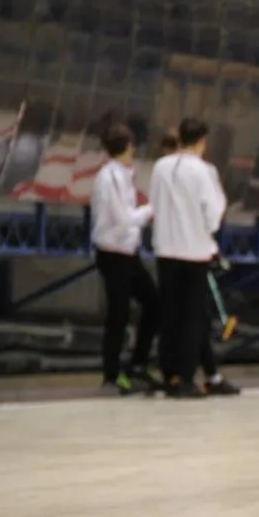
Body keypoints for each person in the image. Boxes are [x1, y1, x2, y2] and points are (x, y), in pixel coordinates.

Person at [157, 131, 241, 396]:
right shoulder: (204, 170)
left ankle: (171, 374)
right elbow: (214, 212)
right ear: (203, 141)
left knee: (170, 314)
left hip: (165, 250)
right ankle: (186, 377)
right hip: (194, 253)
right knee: (194, 318)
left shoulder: (161, 166)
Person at [90, 123, 158, 395]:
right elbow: (123, 220)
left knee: (153, 302)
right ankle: (112, 374)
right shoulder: (109, 177)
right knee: (118, 314)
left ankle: (138, 363)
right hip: (112, 253)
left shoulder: (122, 175)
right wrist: (150, 209)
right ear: (128, 146)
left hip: (128, 253)